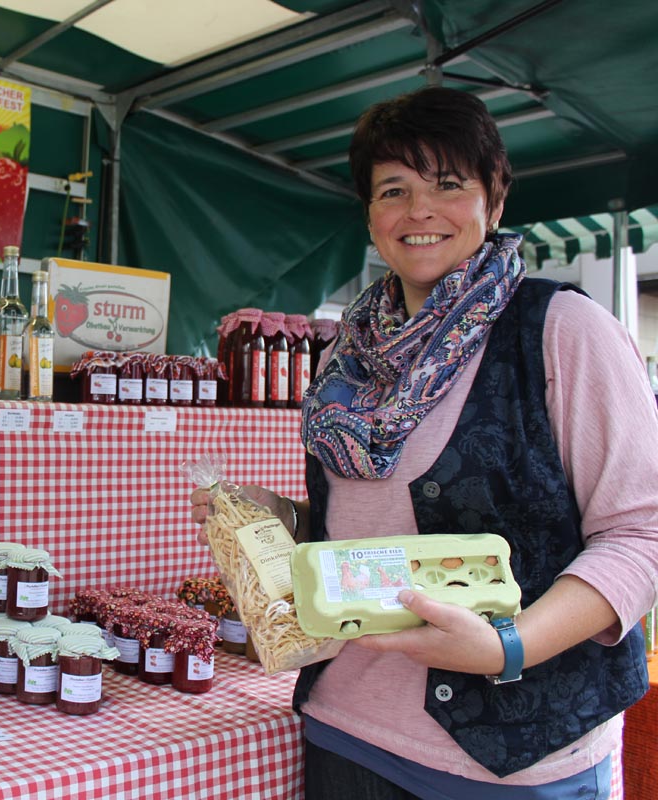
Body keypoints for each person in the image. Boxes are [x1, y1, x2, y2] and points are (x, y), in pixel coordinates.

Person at [190, 86, 658, 799]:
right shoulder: (345, 357)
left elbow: (640, 534)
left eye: (448, 184)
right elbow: (371, 532)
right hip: (346, 728)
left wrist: (510, 646)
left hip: (510, 760)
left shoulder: (559, 330)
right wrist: (269, 524)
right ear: (370, 214)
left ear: (494, 202)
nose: (419, 212)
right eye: (393, 190)